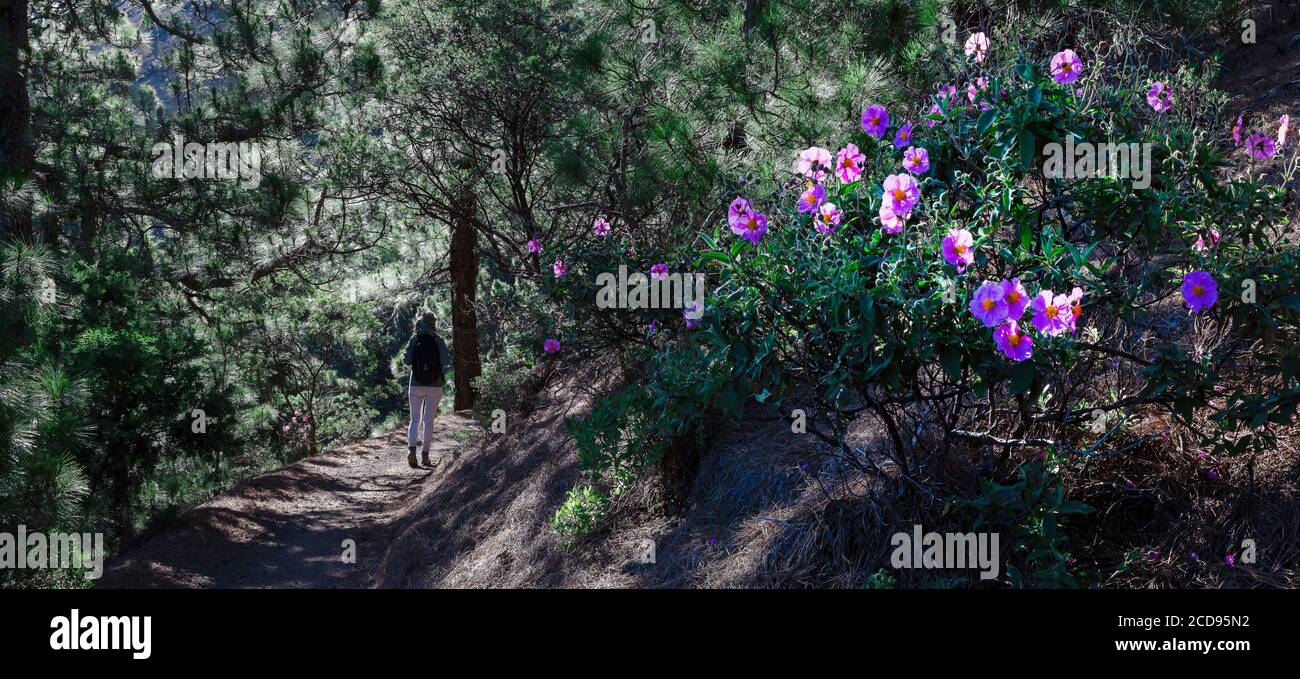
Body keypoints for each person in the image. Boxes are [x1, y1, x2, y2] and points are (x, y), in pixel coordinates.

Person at [402, 309, 451, 468]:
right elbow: (445, 361)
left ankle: (411, 450)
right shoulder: (438, 339)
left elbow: (407, 361)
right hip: (435, 385)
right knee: (429, 421)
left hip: (415, 384)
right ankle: (425, 456)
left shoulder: (415, 338)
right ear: (433, 323)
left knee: (415, 419)